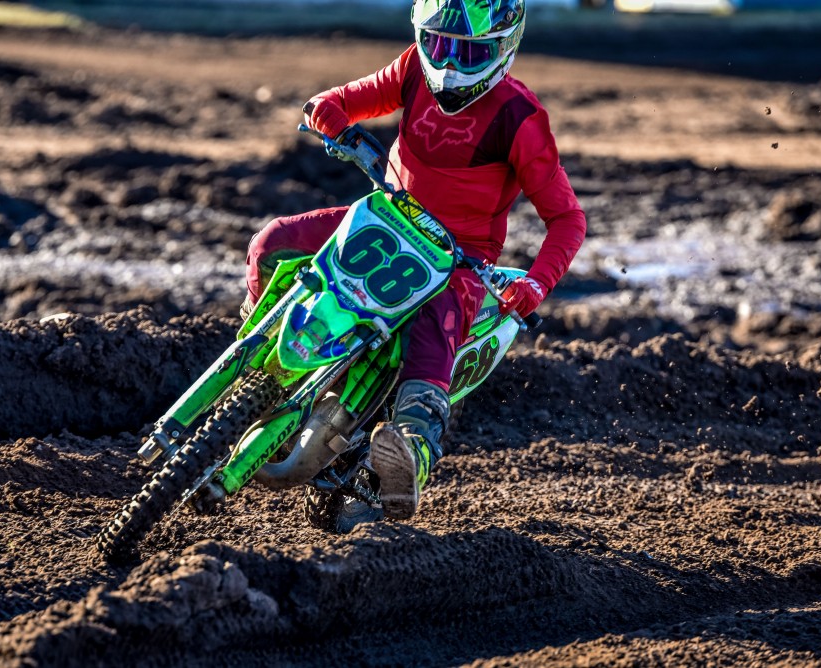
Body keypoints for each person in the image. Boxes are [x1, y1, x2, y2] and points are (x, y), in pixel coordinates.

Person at [242, 0, 586, 520]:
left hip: (459, 258)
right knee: (273, 243)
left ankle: (411, 450)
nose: (447, 64)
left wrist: (536, 284)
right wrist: (329, 110)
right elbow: (346, 99)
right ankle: (259, 358)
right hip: (385, 220)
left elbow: (567, 218)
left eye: (468, 52)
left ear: (503, 49)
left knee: (432, 328)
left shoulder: (520, 117)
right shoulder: (411, 69)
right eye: (438, 44)